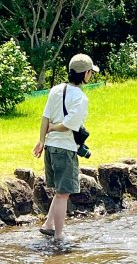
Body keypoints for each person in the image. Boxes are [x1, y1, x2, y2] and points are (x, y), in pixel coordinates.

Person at [33, 53, 95, 250]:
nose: (91, 76)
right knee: (63, 194)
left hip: (51, 147)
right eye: (90, 73)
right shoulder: (81, 98)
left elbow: (45, 117)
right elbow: (69, 125)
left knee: (59, 191)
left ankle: (48, 224)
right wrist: (53, 129)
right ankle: (59, 237)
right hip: (65, 148)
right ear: (85, 74)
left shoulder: (56, 90)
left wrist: (42, 140)